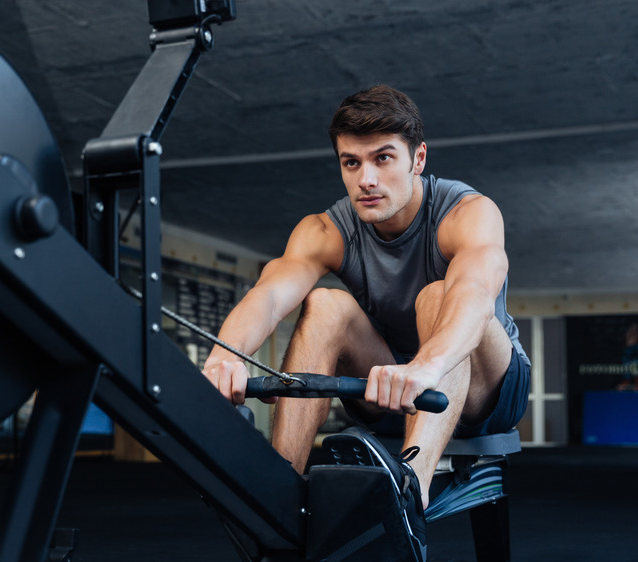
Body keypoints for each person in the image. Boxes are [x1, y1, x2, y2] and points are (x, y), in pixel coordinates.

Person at [202, 84, 530, 558]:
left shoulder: (467, 213)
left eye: (383, 159)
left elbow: (474, 295)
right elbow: (270, 295)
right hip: (391, 381)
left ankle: (405, 499)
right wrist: (225, 357)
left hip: (487, 387)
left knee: (436, 297)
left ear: (418, 159)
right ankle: (276, 500)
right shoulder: (328, 229)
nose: (366, 179)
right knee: (325, 305)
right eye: (351, 163)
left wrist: (426, 367)